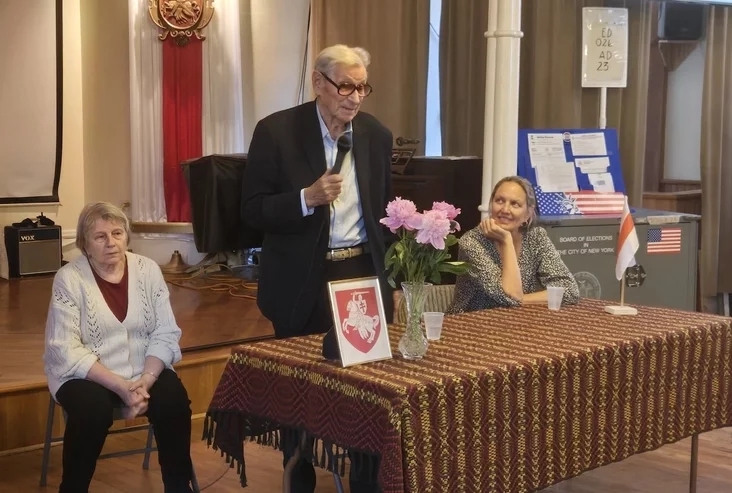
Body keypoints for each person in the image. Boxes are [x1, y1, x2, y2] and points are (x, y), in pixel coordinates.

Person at [241, 44, 392, 493]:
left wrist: (395, 277)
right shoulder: (276, 132)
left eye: (362, 87)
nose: (355, 97)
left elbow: (383, 213)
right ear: (318, 83)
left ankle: (366, 481)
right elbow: (251, 210)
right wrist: (304, 199)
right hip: (301, 281)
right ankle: (299, 475)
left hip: (360, 274)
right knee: (302, 389)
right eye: (345, 86)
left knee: (367, 388)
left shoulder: (376, 135)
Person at [43, 202, 194, 493]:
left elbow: (165, 332)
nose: (111, 243)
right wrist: (121, 387)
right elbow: (65, 348)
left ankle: (178, 487)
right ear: (85, 244)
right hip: (85, 374)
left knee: (173, 400)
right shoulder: (69, 278)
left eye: (117, 233)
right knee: (92, 411)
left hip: (142, 369)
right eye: (100, 236)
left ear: (126, 236)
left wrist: (146, 379)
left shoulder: (147, 270)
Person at [448, 176, 579, 313]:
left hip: (520, 318)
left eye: (515, 204)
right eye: (499, 201)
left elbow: (569, 290)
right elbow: (508, 296)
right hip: (470, 321)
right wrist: (506, 240)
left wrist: (522, 299)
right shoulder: (472, 242)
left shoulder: (536, 237)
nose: (505, 209)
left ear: (528, 213)